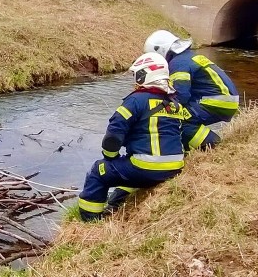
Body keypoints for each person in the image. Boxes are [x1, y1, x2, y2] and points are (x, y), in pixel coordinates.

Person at [78, 53, 186, 221]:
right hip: (174, 168)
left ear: (145, 75)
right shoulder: (175, 104)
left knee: (97, 172)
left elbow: (113, 136)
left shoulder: (135, 100)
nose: (135, 80)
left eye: (137, 75)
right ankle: (114, 205)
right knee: (128, 168)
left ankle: (89, 220)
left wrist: (110, 157)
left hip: (146, 168)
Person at [144, 29, 239, 150]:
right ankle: (192, 148)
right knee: (184, 117)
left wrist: (158, 108)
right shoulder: (188, 57)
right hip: (225, 99)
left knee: (177, 118)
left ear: (161, 51)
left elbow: (180, 96)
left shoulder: (177, 64)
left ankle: (214, 147)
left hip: (217, 101)